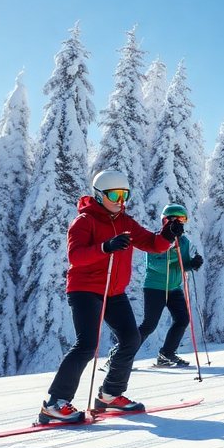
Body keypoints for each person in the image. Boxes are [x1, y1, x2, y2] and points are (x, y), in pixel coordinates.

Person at [38, 169, 182, 424]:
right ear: (99, 195)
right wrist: (105, 247)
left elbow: (152, 243)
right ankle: (55, 403)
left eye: (124, 194)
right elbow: (76, 257)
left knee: (131, 338)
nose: (120, 200)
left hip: (114, 292)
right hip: (84, 289)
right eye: (115, 194)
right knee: (87, 344)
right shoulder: (84, 221)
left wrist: (168, 235)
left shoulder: (126, 222)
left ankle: (110, 394)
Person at [143, 203, 204, 367]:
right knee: (149, 324)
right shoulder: (156, 238)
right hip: (155, 287)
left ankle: (166, 354)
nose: (179, 222)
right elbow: (156, 264)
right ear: (166, 221)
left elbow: (183, 264)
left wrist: (193, 264)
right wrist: (169, 245)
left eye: (182, 219)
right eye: (175, 219)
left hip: (174, 288)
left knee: (182, 319)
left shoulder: (183, 241)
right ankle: (121, 353)